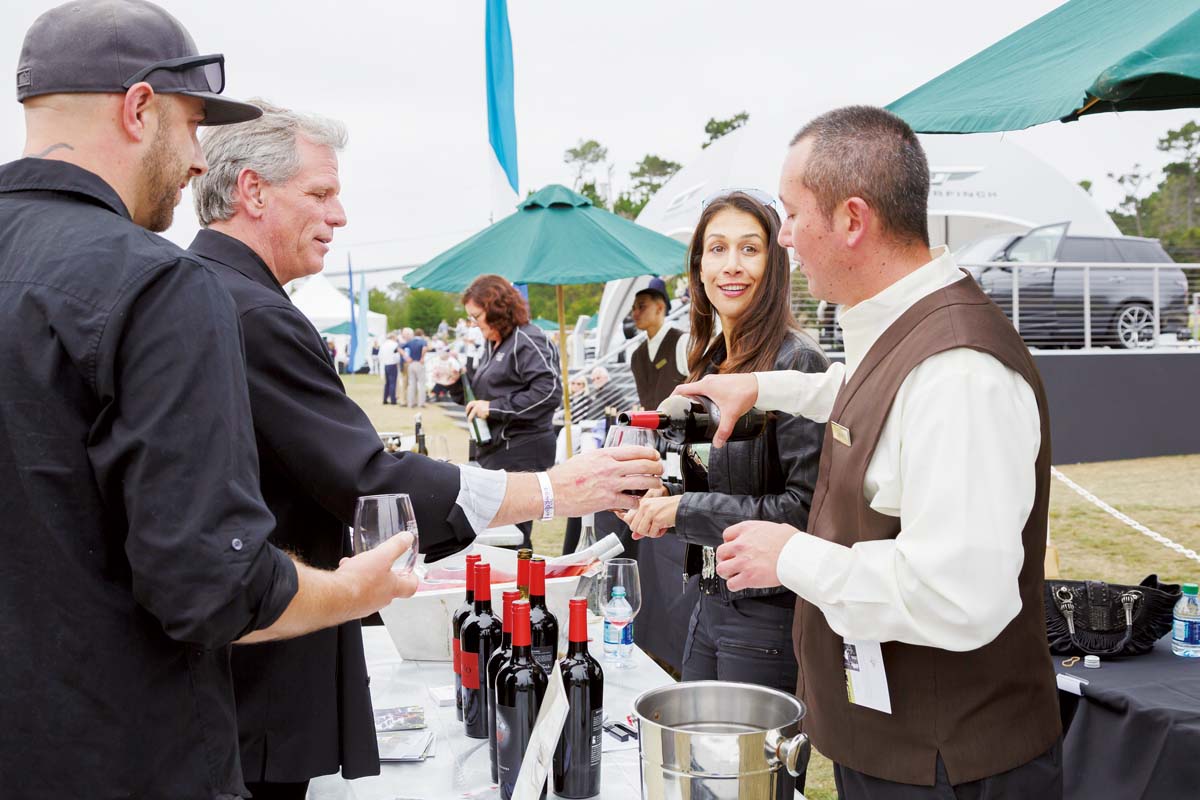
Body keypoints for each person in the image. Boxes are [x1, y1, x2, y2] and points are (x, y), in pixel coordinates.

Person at [0, 3, 421, 798]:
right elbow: (210, 583)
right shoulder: (159, 284)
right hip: (126, 759)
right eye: (193, 126)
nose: (198, 162)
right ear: (139, 109)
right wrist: (355, 589)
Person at [188, 101, 664, 798]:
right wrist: (554, 489)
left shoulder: (212, 289)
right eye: (321, 193)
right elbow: (364, 478)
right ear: (252, 191)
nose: (339, 215)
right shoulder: (251, 309)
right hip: (258, 669)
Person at [684, 107, 1062, 798]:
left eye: (793, 215)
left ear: (852, 220)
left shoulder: (959, 373)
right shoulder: (905, 330)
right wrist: (761, 386)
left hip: (948, 765)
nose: (786, 237)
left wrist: (789, 555)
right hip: (896, 748)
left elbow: (958, 595)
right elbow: (863, 394)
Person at [624, 191, 827, 712]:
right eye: (717, 249)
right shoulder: (712, 362)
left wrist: (684, 510)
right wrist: (662, 497)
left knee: (746, 767)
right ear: (699, 266)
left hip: (768, 616)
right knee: (696, 758)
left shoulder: (796, 363)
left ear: (775, 263)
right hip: (708, 599)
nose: (731, 265)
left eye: (749, 249)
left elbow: (804, 511)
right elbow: (719, 481)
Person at [463, 274, 562, 550]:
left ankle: (521, 578)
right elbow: (485, 395)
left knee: (511, 535)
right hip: (495, 449)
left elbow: (548, 391)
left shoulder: (527, 339)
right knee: (496, 534)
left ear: (496, 309)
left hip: (522, 448)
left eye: (476, 316)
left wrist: (494, 408)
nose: (474, 323)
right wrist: (454, 385)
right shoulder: (493, 342)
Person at [629, 277, 690, 409]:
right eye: (633, 308)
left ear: (660, 308)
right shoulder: (636, 356)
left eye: (642, 307)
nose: (635, 314)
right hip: (648, 422)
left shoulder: (682, 342)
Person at [405, 326, 428, 407]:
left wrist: (407, 357)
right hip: (419, 363)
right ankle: (421, 403)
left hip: (411, 363)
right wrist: (422, 357)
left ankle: (411, 402)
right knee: (421, 384)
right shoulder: (423, 341)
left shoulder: (410, 342)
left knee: (412, 384)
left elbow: (400, 348)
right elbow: (424, 349)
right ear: (421, 334)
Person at [379, 332, 400, 404]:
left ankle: (385, 399)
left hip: (386, 364)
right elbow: (397, 355)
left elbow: (380, 355)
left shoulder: (383, 345)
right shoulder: (394, 344)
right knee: (392, 383)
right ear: (393, 337)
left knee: (387, 383)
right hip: (392, 364)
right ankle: (393, 400)